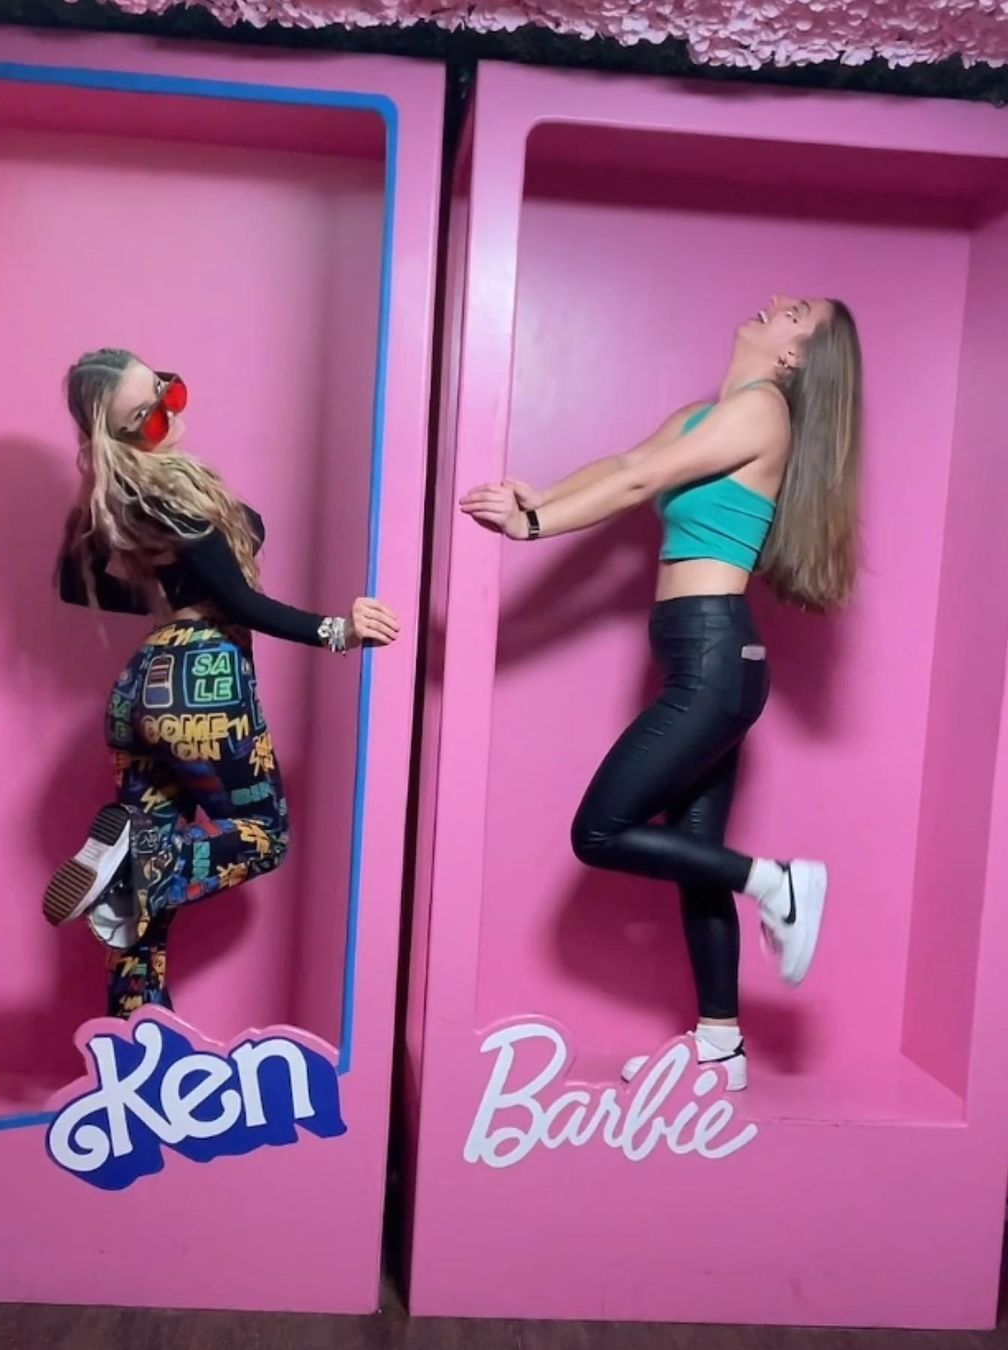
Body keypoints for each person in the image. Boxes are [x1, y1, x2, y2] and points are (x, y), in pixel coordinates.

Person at [460, 295, 862, 1090]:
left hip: (715, 656)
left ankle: (777, 883)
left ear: (794, 359)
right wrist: (539, 498)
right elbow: (624, 464)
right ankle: (721, 1045)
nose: (778, 303)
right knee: (695, 858)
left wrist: (533, 529)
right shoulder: (703, 416)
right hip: (705, 656)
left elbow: (639, 479)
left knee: (599, 832)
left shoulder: (762, 414)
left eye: (797, 315)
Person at [46, 348, 399, 1018]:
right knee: (262, 836)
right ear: (119, 433)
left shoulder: (111, 493)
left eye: (168, 391)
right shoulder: (174, 490)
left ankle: (137, 1049)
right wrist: (337, 630)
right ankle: (133, 874)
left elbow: (72, 584)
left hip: (142, 685)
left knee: (142, 921)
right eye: (148, 416)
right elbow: (238, 601)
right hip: (202, 681)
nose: (168, 413)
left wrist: (168, 601)